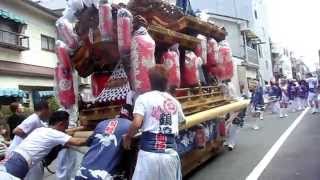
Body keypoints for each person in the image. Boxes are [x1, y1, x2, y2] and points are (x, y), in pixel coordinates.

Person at [123, 65, 185, 180]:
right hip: (169, 156)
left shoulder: (143, 98)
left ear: (150, 81)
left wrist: (128, 136)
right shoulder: (174, 102)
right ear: (167, 82)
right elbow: (182, 122)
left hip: (148, 156)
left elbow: (136, 123)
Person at [0, 111, 87, 180]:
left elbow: (67, 133)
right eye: (65, 126)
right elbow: (78, 142)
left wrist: (81, 128)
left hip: (10, 159)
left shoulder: (41, 129)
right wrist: (97, 137)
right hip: (18, 165)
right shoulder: (54, 133)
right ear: (60, 124)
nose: (65, 130)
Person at [75, 105, 133, 180]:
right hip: (103, 175)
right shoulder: (131, 126)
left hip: (82, 171)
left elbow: (89, 142)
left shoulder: (102, 123)